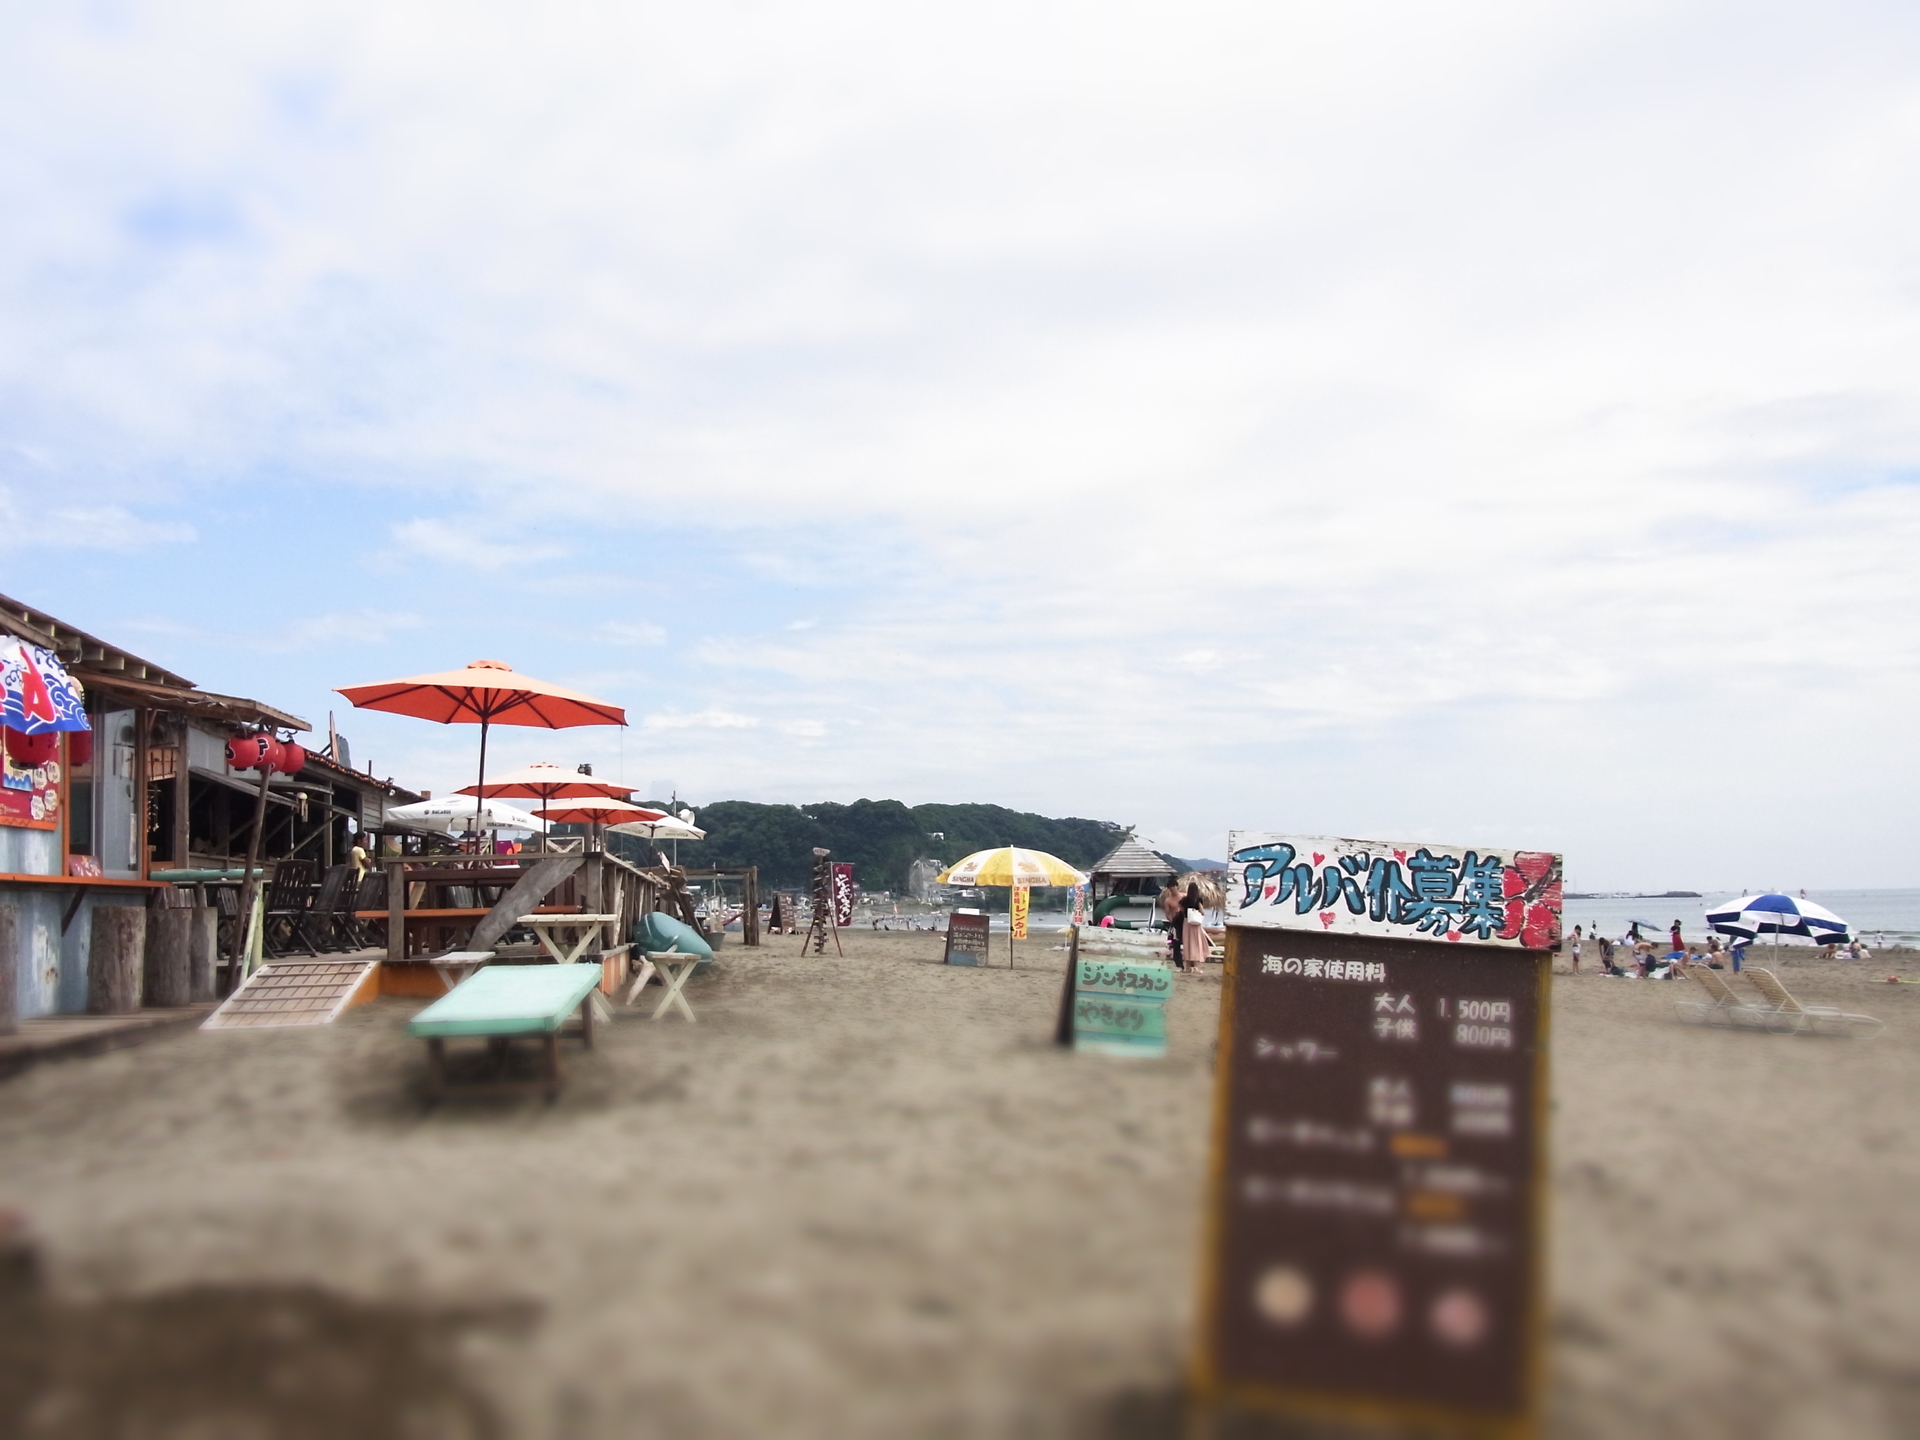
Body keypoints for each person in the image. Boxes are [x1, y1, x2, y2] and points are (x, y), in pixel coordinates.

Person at [1179, 881, 1212, 974]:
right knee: (1196, 944)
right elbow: (1202, 912)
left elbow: (1181, 911)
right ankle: (1196, 967)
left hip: (1187, 923)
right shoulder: (1198, 900)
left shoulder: (1184, 900)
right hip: (1196, 924)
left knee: (1188, 944)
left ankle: (1188, 966)